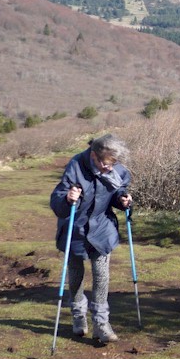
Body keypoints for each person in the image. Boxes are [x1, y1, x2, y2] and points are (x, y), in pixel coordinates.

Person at [50, 133, 132, 343]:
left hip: (102, 228)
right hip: (74, 228)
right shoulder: (76, 166)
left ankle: (101, 324)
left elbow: (117, 191)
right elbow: (57, 202)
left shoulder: (116, 169)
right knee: (76, 275)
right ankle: (78, 316)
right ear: (94, 156)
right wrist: (68, 199)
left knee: (101, 275)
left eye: (113, 163)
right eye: (106, 163)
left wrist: (123, 200)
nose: (110, 168)